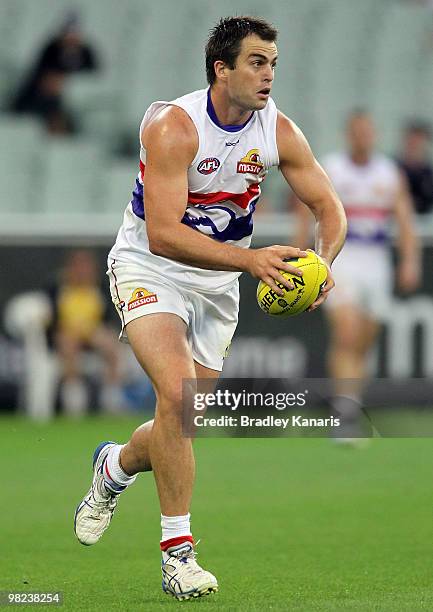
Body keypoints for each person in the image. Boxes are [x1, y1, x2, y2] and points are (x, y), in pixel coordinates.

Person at [73, 16, 346, 600]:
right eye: (255, 62)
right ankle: (179, 556)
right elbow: (165, 234)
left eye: (272, 63)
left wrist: (323, 265)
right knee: (177, 396)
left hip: (216, 284)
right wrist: (251, 263)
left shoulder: (279, 131)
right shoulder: (175, 125)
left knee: (182, 418)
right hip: (150, 266)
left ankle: (114, 467)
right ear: (221, 69)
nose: (269, 74)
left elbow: (329, 207)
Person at [295, 110, 421, 441]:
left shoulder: (388, 172)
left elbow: (404, 219)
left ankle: (351, 402)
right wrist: (300, 252)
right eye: (357, 132)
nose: (363, 137)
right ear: (348, 135)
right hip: (343, 258)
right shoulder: (332, 168)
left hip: (376, 261)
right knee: (347, 336)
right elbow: (307, 210)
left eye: (367, 131)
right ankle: (345, 414)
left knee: (364, 342)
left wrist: (409, 261)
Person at [47, 250, 122, 415]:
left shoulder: (100, 287)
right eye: (78, 266)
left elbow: (108, 317)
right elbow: (51, 317)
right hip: (68, 330)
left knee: (110, 344)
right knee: (67, 344)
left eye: (86, 267)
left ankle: (111, 396)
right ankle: (74, 399)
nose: (82, 271)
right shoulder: (58, 287)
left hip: (92, 329)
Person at [11, 12, 98, 134]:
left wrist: (69, 81)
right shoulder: (51, 48)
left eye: (74, 34)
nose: (71, 37)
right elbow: (39, 72)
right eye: (68, 33)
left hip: (71, 98)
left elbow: (93, 74)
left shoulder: (86, 52)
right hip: (41, 98)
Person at [396, 120, 433, 215]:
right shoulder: (392, 168)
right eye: (412, 138)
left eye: (418, 138)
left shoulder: (428, 174)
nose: (414, 142)